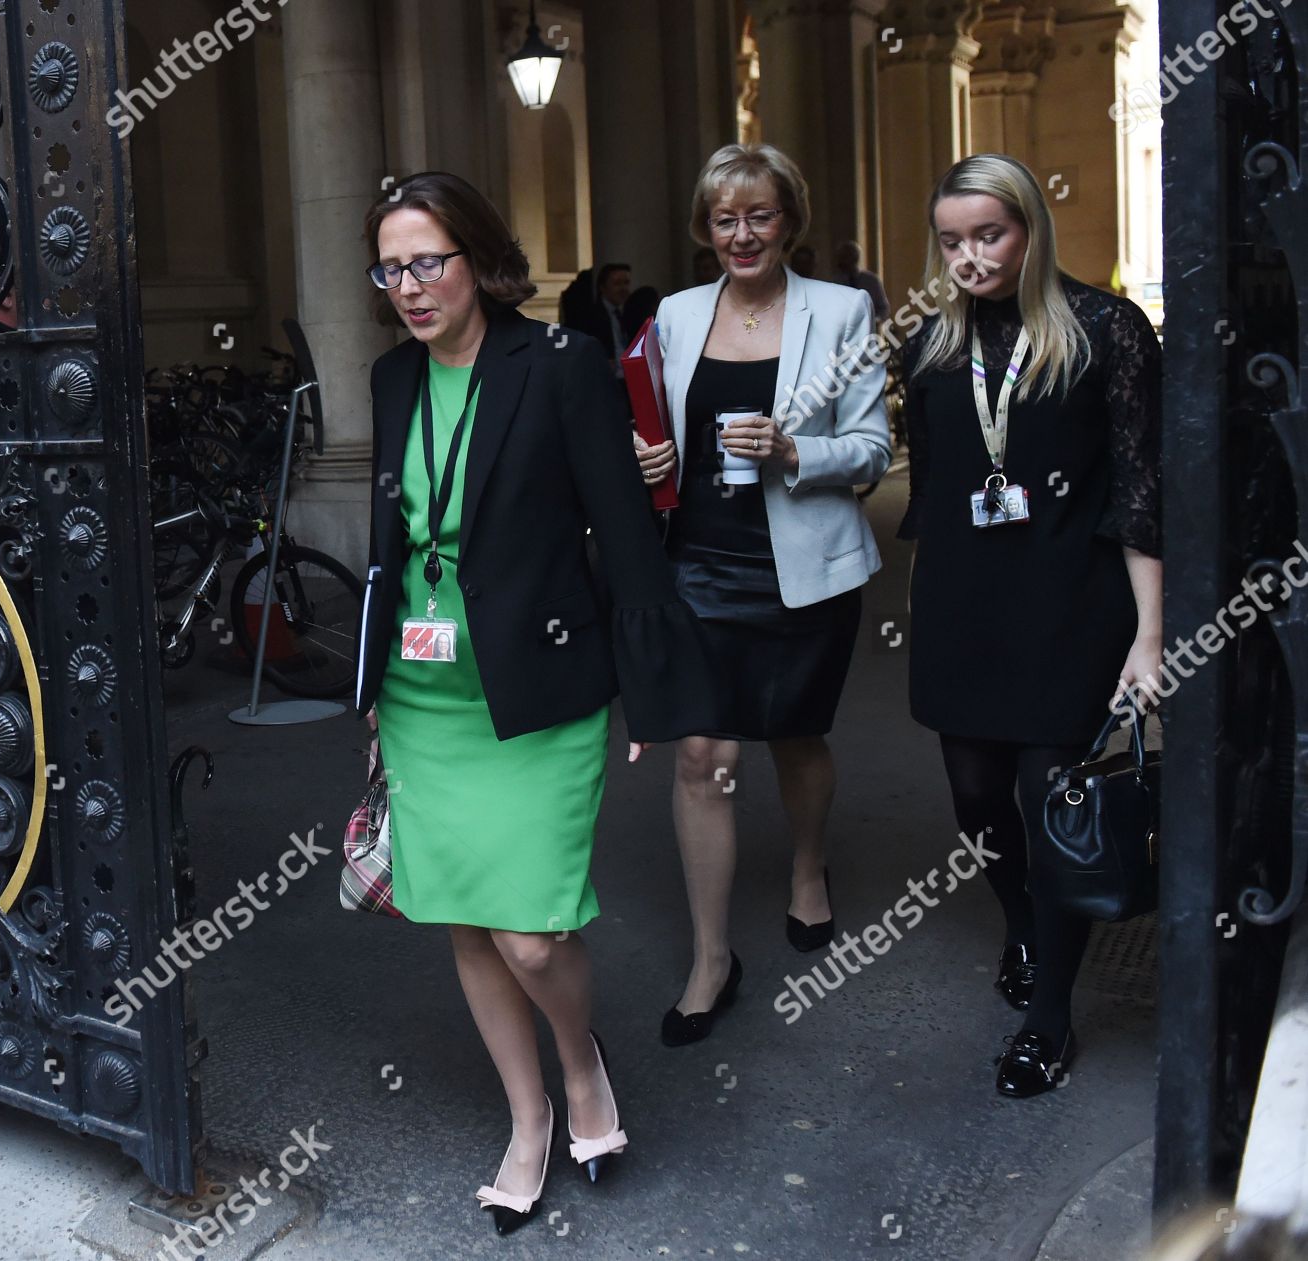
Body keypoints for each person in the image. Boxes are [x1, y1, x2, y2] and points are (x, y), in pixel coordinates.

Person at [357, 171, 714, 1233]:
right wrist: (373, 679)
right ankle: (527, 1120)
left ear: (480, 260)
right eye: (392, 268)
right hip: (426, 697)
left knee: (533, 936)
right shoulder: (389, 378)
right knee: (468, 916)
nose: (411, 287)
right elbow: (389, 546)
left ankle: (579, 1061)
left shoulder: (558, 365)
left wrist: (659, 695)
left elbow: (626, 529)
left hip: (540, 687)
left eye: (430, 261)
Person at [896, 153, 1161, 1096]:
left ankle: (1051, 1013)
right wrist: (925, 606)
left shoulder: (1105, 329)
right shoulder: (929, 343)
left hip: (1070, 608)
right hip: (965, 609)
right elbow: (928, 492)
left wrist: (1150, 634)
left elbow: (1139, 491)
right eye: (953, 240)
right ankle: (1020, 918)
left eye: (989, 235)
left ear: (1030, 228)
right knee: (975, 799)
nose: (970, 256)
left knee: (1055, 811)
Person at [632, 143, 892, 1045]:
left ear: (790, 221)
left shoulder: (841, 310)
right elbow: (650, 427)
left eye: (760, 215)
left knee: (794, 736)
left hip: (804, 570)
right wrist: (647, 460)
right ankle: (711, 958)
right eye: (724, 219)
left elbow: (870, 448)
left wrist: (792, 452)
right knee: (703, 753)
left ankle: (809, 867)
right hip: (699, 563)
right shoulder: (673, 314)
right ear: (706, 230)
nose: (741, 234)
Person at [833, 240, 891, 322]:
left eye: (844, 257)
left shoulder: (871, 281)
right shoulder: (836, 282)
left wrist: (874, 321)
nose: (840, 261)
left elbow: (884, 308)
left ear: (854, 258)